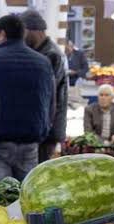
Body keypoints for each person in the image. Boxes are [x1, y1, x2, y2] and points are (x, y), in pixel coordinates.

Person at [0, 15, 54, 180]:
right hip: (31, 142)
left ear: (2, 34)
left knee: (4, 196)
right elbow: (51, 102)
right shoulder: (43, 62)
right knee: (26, 194)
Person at [21, 9, 68, 162]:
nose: (22, 37)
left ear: (35, 31)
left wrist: (48, 131)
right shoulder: (41, 52)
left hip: (47, 129)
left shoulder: (51, 54)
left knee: (39, 171)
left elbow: (49, 97)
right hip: (41, 126)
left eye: (24, 31)